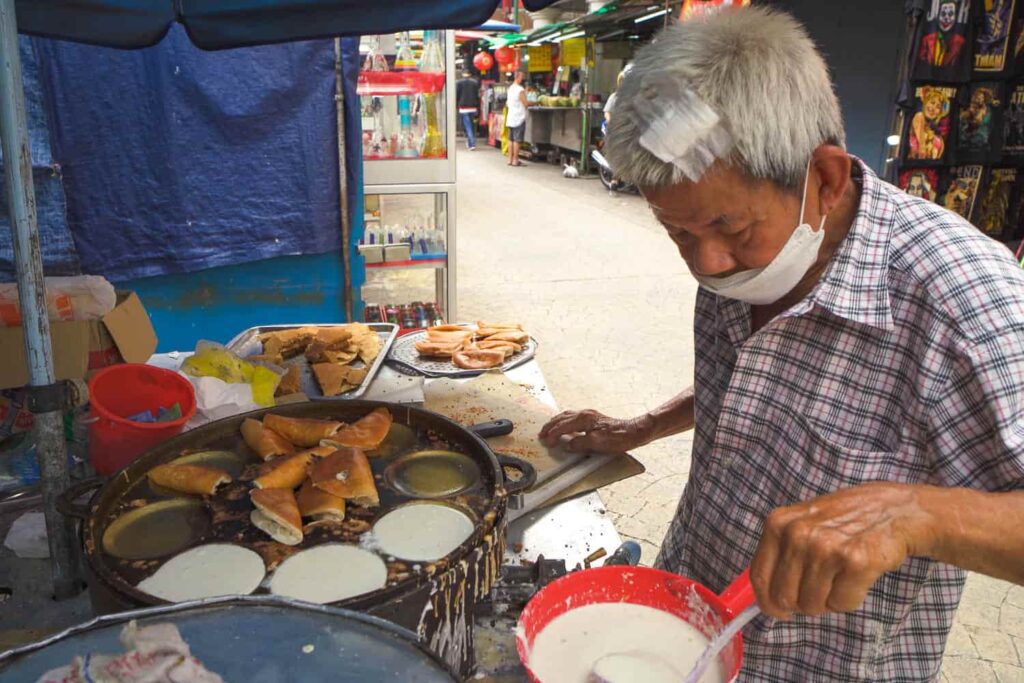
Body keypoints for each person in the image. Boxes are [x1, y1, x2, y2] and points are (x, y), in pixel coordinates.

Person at [539, 7, 1024, 682]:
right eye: (677, 233)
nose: (707, 264)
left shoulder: (962, 300)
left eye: (730, 228)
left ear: (824, 179)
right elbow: (754, 381)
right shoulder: (738, 255)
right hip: (685, 624)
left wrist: (919, 513)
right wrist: (644, 426)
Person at [505, 71, 528, 166]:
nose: (523, 79)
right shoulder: (520, 89)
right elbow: (525, 103)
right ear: (518, 77)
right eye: (522, 76)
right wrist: (536, 102)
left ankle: (509, 160)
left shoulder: (510, 88)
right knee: (517, 140)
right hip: (519, 117)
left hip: (511, 117)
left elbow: (507, 103)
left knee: (510, 140)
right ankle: (515, 160)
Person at [455, 70, 480, 151]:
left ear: (463, 74)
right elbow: (477, 95)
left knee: (467, 126)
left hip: (463, 108)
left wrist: (456, 105)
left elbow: (457, 95)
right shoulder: (475, 83)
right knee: (472, 126)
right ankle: (470, 141)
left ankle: (471, 144)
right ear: (470, 74)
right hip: (473, 107)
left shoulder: (459, 83)